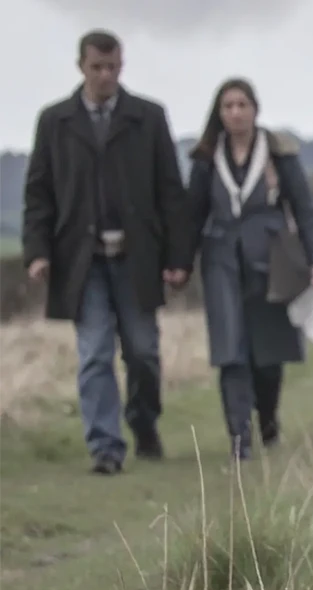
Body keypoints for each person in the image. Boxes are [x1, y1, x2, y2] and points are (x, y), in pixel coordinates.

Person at [22, 29, 189, 475]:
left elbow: (171, 192)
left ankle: (143, 421)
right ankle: (106, 448)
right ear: (81, 66)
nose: (105, 75)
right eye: (97, 67)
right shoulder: (54, 121)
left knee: (143, 353)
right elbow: (39, 193)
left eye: (113, 67)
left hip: (137, 259)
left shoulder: (148, 118)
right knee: (94, 352)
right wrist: (37, 251)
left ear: (121, 65)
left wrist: (177, 258)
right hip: (82, 261)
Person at [184, 78, 313, 461]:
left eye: (242, 105)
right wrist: (178, 264)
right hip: (220, 260)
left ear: (255, 109)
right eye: (227, 106)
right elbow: (192, 214)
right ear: (219, 113)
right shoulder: (205, 158)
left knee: (268, 352)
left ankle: (267, 419)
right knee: (230, 349)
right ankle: (239, 437)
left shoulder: (279, 154)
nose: (235, 112)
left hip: (271, 259)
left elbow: (305, 208)